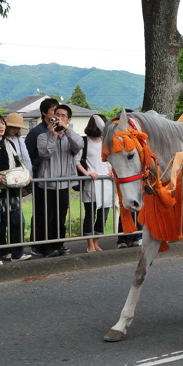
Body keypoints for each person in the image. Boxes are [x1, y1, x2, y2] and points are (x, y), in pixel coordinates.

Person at [0, 114, 32, 265]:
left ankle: (17, 253)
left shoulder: (8, 143)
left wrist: (25, 174)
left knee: (18, 222)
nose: (1, 126)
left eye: (2, 123)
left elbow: (18, 162)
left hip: (12, 188)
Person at [37, 104, 84, 257]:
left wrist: (66, 130)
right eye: (57, 114)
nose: (59, 118)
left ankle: (59, 244)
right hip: (47, 184)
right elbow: (45, 154)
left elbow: (80, 145)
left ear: (68, 119)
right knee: (47, 217)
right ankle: (47, 247)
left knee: (61, 216)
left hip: (64, 184)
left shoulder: (70, 137)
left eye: (63, 116)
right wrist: (53, 136)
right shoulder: (43, 136)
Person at [75, 114, 115, 252]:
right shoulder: (83, 142)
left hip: (106, 183)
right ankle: (90, 245)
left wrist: (110, 171)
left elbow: (109, 160)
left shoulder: (106, 141)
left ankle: (96, 243)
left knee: (103, 215)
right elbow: (77, 161)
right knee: (90, 215)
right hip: (91, 183)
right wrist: (87, 174)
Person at [25, 98, 58, 255]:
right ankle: (38, 245)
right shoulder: (36, 132)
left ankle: (52, 244)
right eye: (52, 111)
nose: (55, 114)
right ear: (44, 112)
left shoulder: (60, 130)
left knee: (54, 213)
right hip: (40, 178)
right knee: (41, 213)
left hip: (56, 178)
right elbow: (27, 156)